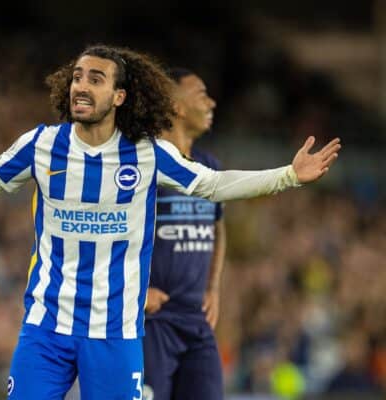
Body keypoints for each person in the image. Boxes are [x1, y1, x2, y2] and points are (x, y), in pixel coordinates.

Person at [0, 44, 340, 400]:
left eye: (96, 79)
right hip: (46, 328)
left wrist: (288, 177)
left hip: (116, 334)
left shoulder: (147, 154)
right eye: (78, 76)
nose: (82, 85)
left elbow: (211, 186)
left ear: (120, 96)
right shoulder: (42, 145)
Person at [143, 68, 225, 400]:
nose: (212, 103)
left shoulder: (209, 166)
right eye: (201, 94)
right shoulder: (145, 164)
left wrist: (214, 287)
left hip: (196, 321)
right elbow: (111, 232)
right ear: (176, 106)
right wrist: (136, 290)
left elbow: (219, 228)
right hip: (152, 322)